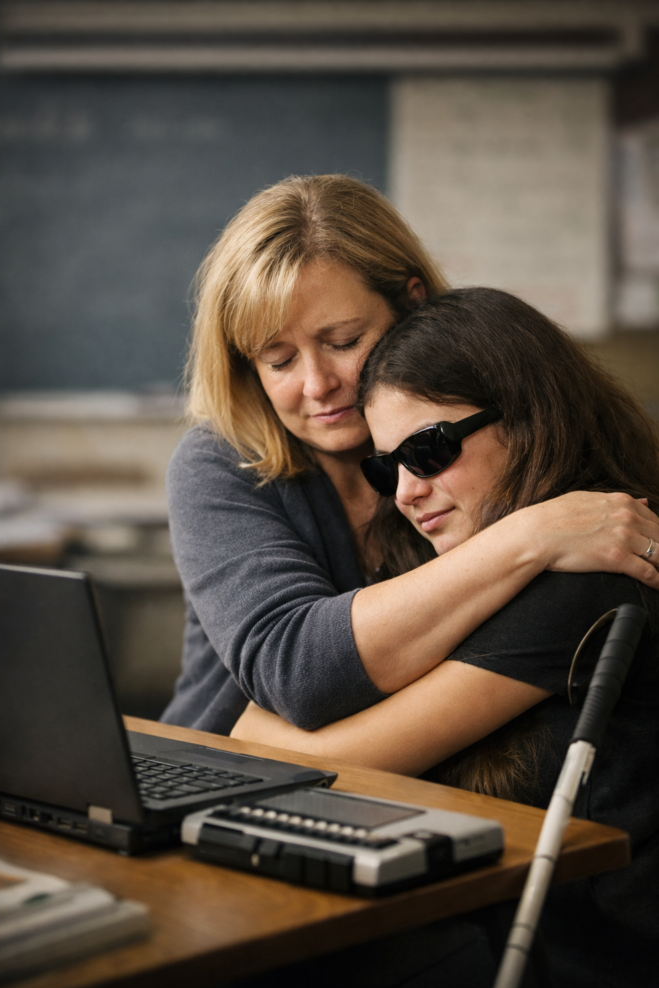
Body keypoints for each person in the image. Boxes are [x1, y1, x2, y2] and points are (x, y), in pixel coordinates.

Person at [231, 288, 659, 988]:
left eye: (428, 451)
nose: (405, 492)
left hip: (595, 969)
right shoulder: (470, 578)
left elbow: (285, 749)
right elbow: (266, 720)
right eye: (384, 468)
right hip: (512, 930)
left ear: (530, 418)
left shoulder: (587, 584)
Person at [161, 174, 659, 741]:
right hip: (214, 769)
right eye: (279, 361)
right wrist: (534, 536)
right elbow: (297, 674)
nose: (318, 385)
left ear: (411, 301)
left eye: (344, 342)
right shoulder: (217, 463)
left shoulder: (489, 447)